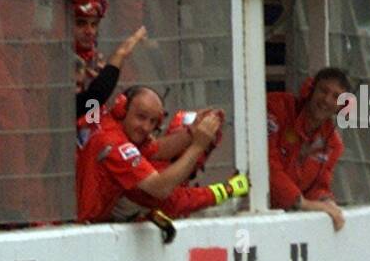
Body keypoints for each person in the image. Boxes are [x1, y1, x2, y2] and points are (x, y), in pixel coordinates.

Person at [76, 85, 246, 226]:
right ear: (122, 110)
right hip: (81, 229)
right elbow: (167, 194)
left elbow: (158, 148)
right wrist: (228, 188)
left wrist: (192, 135)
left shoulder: (126, 135)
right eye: (141, 117)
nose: (146, 128)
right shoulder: (117, 146)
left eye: (152, 122)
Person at [267, 68, 349, 231]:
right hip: (252, 209)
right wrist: (302, 203)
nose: (326, 100)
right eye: (323, 91)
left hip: (288, 223)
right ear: (310, 89)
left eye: (335, 97)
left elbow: (319, 186)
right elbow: (267, 164)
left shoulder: (333, 144)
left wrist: (327, 202)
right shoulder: (277, 107)